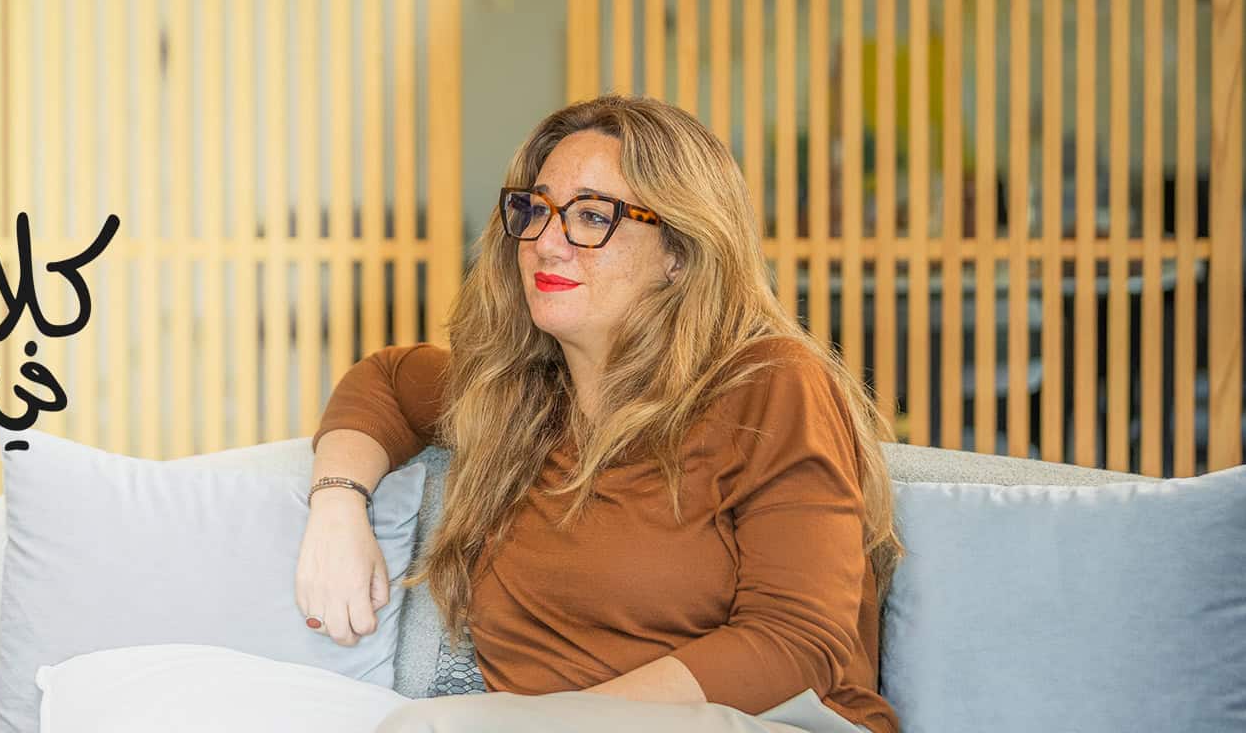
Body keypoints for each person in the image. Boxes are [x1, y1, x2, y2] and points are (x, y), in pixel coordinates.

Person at [296, 94, 902, 733]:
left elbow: (797, 642)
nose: (546, 243)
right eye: (536, 209)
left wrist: (555, 724)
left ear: (680, 250)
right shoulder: (519, 393)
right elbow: (385, 382)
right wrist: (336, 505)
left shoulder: (771, 382)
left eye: (591, 216)